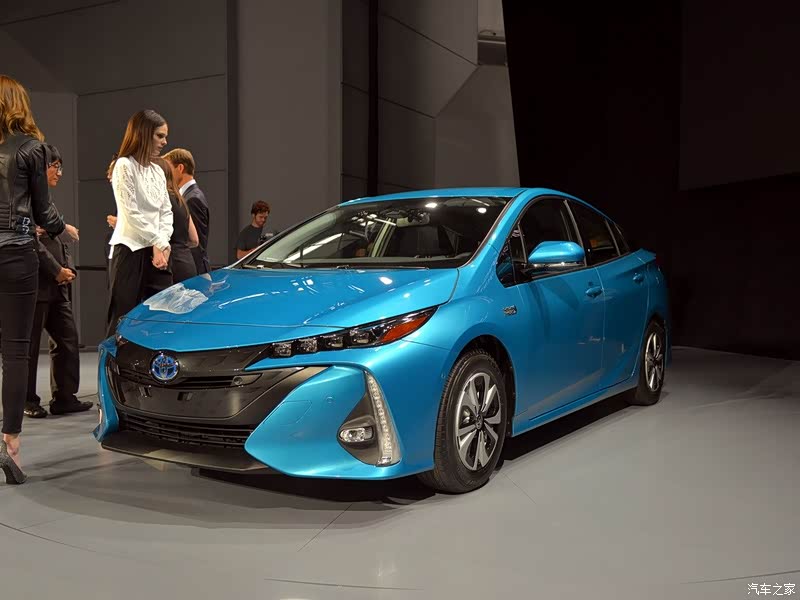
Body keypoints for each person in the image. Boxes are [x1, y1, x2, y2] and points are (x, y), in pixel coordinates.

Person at [0, 75, 66, 484]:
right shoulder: (31, 148)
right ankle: (10, 446)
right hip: (16, 252)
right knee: (16, 350)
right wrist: (61, 228)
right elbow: (44, 212)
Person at [25, 144, 92, 418]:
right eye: (56, 167)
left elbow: (56, 239)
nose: (60, 173)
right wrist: (56, 269)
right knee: (29, 346)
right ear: (42, 167)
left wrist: (67, 269)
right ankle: (27, 401)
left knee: (67, 339)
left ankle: (65, 397)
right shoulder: (25, 200)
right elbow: (31, 243)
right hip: (36, 283)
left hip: (57, 285)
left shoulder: (44, 201)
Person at [106, 109, 173, 338]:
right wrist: (158, 241)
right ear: (144, 134)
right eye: (160, 136)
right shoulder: (124, 165)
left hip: (158, 253)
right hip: (130, 251)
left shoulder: (158, 171)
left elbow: (166, 212)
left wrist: (162, 243)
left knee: (162, 320)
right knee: (123, 320)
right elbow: (131, 213)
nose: (164, 142)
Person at [163, 148, 210, 274]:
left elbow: (196, 244)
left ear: (180, 168)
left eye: (169, 169)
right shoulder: (190, 196)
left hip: (194, 272)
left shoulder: (192, 198)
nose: (166, 174)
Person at [153, 157, 199, 283]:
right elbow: (194, 240)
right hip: (188, 264)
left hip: (169, 266)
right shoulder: (181, 200)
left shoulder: (159, 200)